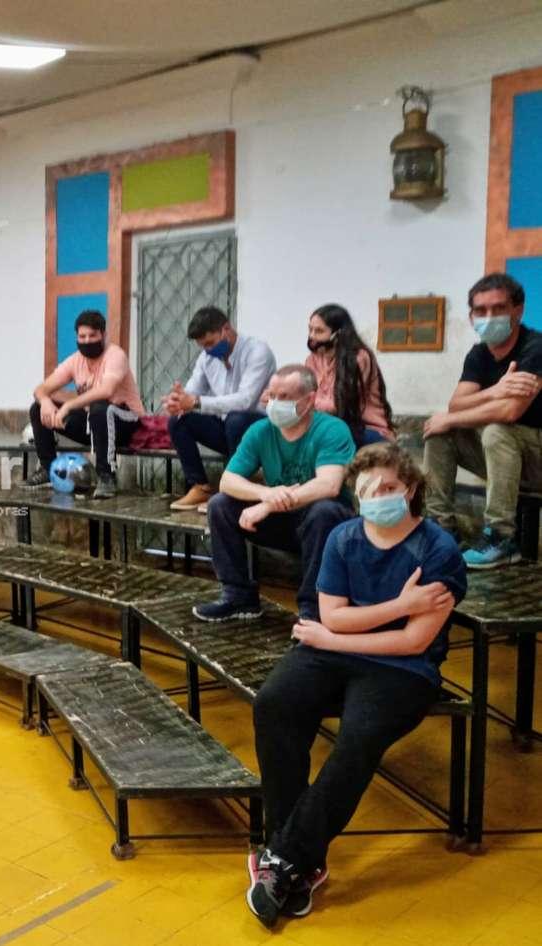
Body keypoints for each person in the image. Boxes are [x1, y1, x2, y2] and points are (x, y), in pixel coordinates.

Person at [246, 443, 466, 928]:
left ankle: (283, 859)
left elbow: (412, 641)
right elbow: (332, 615)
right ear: (355, 495)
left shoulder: (438, 550)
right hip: (331, 649)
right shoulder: (343, 537)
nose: (379, 497)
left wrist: (335, 637)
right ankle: (298, 860)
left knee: (359, 737)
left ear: (411, 488)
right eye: (368, 490)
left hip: (403, 669)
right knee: (274, 703)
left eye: (390, 487)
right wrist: (397, 607)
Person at [196, 365, 355, 622]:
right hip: (282, 522)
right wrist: (265, 493)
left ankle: (313, 610)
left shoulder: (332, 429)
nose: (275, 403)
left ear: (310, 399)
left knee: (324, 510)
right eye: (272, 396)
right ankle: (238, 597)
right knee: (220, 505)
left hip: (324, 525)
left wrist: (269, 504)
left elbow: (329, 485)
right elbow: (227, 481)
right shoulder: (260, 430)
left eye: (284, 397)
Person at [423, 272, 542, 569]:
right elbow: (456, 403)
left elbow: (510, 412)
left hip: (536, 460)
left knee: (496, 431)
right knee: (439, 431)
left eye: (498, 308)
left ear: (518, 310)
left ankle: (501, 538)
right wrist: (496, 390)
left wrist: (455, 416)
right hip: (504, 461)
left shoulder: (535, 348)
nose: (489, 317)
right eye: (481, 310)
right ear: (471, 316)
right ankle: (441, 529)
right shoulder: (478, 354)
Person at [163, 306, 275, 512]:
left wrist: (196, 402)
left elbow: (245, 400)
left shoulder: (257, 351)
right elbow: (192, 391)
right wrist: (177, 402)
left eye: (210, 343)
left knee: (236, 418)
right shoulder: (206, 357)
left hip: (259, 430)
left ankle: (234, 489)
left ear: (226, 329)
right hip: (228, 429)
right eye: (202, 346)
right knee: (179, 421)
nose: (207, 350)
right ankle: (200, 487)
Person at [25, 309, 146, 499]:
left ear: (103, 335)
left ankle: (106, 476)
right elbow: (41, 389)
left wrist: (69, 405)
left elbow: (106, 391)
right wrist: (46, 401)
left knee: (100, 408)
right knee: (37, 407)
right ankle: (49, 469)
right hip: (95, 425)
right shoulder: (75, 360)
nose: (87, 341)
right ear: (77, 337)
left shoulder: (115, 355)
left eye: (92, 335)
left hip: (127, 423)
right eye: (82, 336)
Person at [301, 304, 395, 447]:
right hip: (328, 425)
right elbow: (304, 395)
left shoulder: (358, 358)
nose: (312, 336)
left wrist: (304, 403)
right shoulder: (312, 359)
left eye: (319, 331)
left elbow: (337, 405)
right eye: (310, 329)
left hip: (365, 429)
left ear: (338, 334)